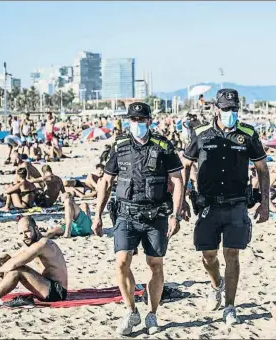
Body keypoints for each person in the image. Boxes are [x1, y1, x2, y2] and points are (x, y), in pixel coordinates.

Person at [92, 102, 185, 336]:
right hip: (125, 213)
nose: (137, 124)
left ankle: (152, 313)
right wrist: (97, 215)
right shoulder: (120, 146)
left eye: (141, 120)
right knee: (122, 261)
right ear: (128, 121)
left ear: (149, 121)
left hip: (156, 215)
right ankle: (131, 310)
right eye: (133, 120)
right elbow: (105, 181)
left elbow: (177, 180)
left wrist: (176, 214)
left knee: (155, 264)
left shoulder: (163, 145)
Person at [180, 88, 270, 326]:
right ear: (216, 109)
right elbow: (185, 166)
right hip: (208, 205)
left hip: (237, 204)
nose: (231, 113)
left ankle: (230, 306)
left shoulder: (248, 133)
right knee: (208, 255)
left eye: (234, 109)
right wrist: (182, 201)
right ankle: (215, 284)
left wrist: (265, 204)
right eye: (226, 108)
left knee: (232, 254)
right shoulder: (200, 133)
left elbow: (262, 168)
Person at [0, 216, 68, 308]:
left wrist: (2, 268)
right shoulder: (31, 244)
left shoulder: (43, 244)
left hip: (57, 292)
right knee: (9, 268)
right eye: (21, 233)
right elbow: (12, 260)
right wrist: (4, 259)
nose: (24, 236)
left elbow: (17, 263)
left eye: (27, 231)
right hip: (47, 286)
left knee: (17, 270)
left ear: (36, 229)